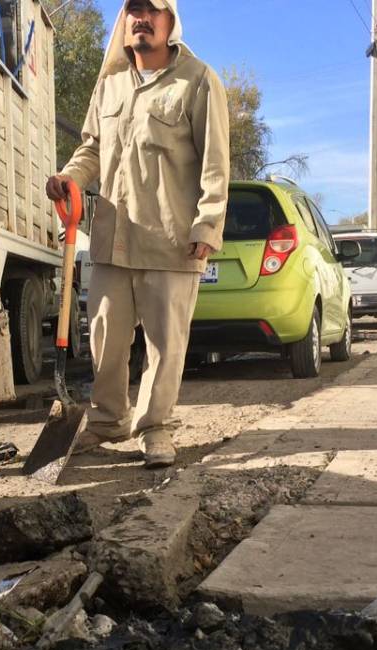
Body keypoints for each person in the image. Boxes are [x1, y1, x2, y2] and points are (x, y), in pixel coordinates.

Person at [46, 0, 229, 468]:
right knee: (104, 335)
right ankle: (108, 419)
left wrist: (207, 223)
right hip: (112, 235)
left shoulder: (198, 80)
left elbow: (215, 163)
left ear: (171, 23)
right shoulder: (109, 85)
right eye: (134, 11)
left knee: (165, 345)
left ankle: (156, 428)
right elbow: (90, 147)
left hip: (171, 239)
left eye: (154, 11)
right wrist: (71, 178)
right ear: (124, 24)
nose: (142, 19)